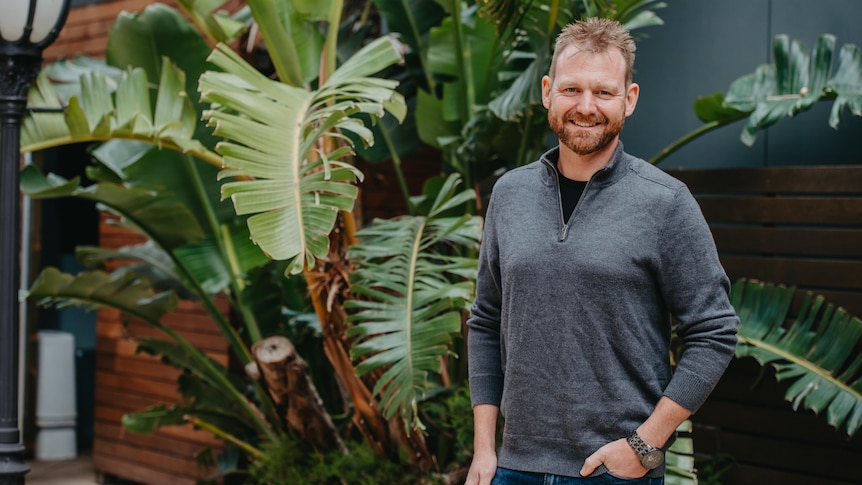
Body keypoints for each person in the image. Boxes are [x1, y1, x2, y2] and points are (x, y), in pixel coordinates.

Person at [465, 17, 739, 485]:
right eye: (571, 90)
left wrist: (644, 444)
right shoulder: (509, 195)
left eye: (604, 92)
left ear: (629, 99)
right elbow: (486, 320)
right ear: (548, 91)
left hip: (615, 472)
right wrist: (484, 451)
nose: (585, 107)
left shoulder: (666, 203)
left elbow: (714, 331)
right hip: (512, 468)